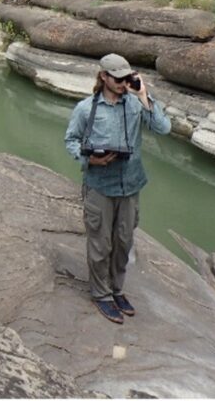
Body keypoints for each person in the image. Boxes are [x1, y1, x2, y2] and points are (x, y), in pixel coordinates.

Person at [64, 53, 171, 323]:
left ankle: (116, 289)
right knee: (101, 244)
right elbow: (71, 141)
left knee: (123, 243)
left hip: (130, 186)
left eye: (127, 77)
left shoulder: (134, 106)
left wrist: (144, 95)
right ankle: (101, 294)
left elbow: (164, 128)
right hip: (99, 186)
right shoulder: (86, 109)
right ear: (103, 77)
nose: (124, 83)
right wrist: (90, 159)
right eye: (118, 78)